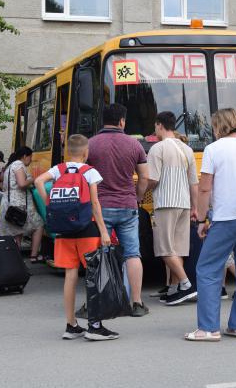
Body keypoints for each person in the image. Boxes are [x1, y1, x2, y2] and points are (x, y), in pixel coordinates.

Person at [185, 108, 236, 342]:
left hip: (226, 218)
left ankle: (209, 328)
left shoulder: (213, 149)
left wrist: (201, 219)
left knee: (208, 269)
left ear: (218, 126)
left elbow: (204, 188)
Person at [34, 134, 117, 341]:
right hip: (86, 229)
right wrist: (104, 231)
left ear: (68, 151)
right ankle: (94, 326)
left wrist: (49, 205)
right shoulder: (90, 172)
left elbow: (38, 181)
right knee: (92, 275)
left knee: (70, 275)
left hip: (63, 230)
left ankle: (71, 325)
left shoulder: (58, 169)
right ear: (86, 152)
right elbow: (95, 204)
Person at [88, 104, 150, 317]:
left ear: (103, 120)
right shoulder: (135, 145)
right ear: (122, 121)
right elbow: (144, 177)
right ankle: (137, 303)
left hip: (100, 207)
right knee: (133, 254)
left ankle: (97, 302)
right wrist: (138, 196)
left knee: (98, 254)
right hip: (127, 206)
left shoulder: (91, 144)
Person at [144, 111, 199, 306]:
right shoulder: (187, 149)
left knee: (164, 248)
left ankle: (185, 284)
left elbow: (153, 179)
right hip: (184, 203)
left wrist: (140, 192)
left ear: (159, 125)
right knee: (178, 248)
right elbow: (194, 182)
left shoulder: (157, 149)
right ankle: (175, 290)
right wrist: (195, 207)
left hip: (166, 203)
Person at [0, 146, 46, 262]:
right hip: (19, 204)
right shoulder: (19, 165)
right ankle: (33, 256)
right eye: (30, 157)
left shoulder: (10, 166)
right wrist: (33, 179)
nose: (30, 160)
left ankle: (15, 261)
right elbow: (21, 183)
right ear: (25, 156)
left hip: (9, 203)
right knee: (38, 225)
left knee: (16, 232)